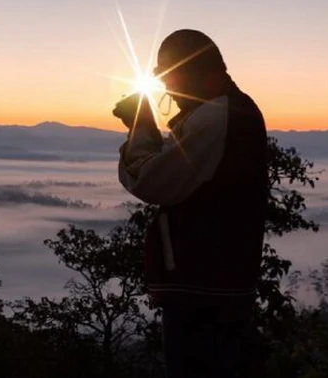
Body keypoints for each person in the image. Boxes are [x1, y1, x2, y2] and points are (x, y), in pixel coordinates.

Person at [113, 29, 268, 377]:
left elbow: (152, 181)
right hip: (219, 287)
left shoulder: (216, 117)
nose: (167, 87)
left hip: (204, 290)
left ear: (188, 71)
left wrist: (140, 126)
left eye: (168, 76)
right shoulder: (228, 111)